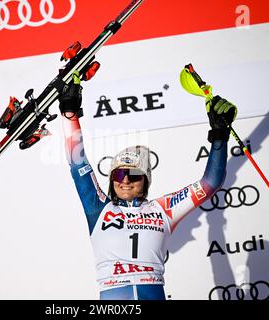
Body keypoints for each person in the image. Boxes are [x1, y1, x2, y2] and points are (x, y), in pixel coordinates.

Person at [59, 71, 237, 300]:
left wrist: (220, 135)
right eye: (119, 173)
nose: (124, 180)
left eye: (133, 175)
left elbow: (210, 182)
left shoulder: (163, 209)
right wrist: (70, 114)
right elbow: (77, 164)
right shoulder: (98, 207)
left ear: (145, 180)